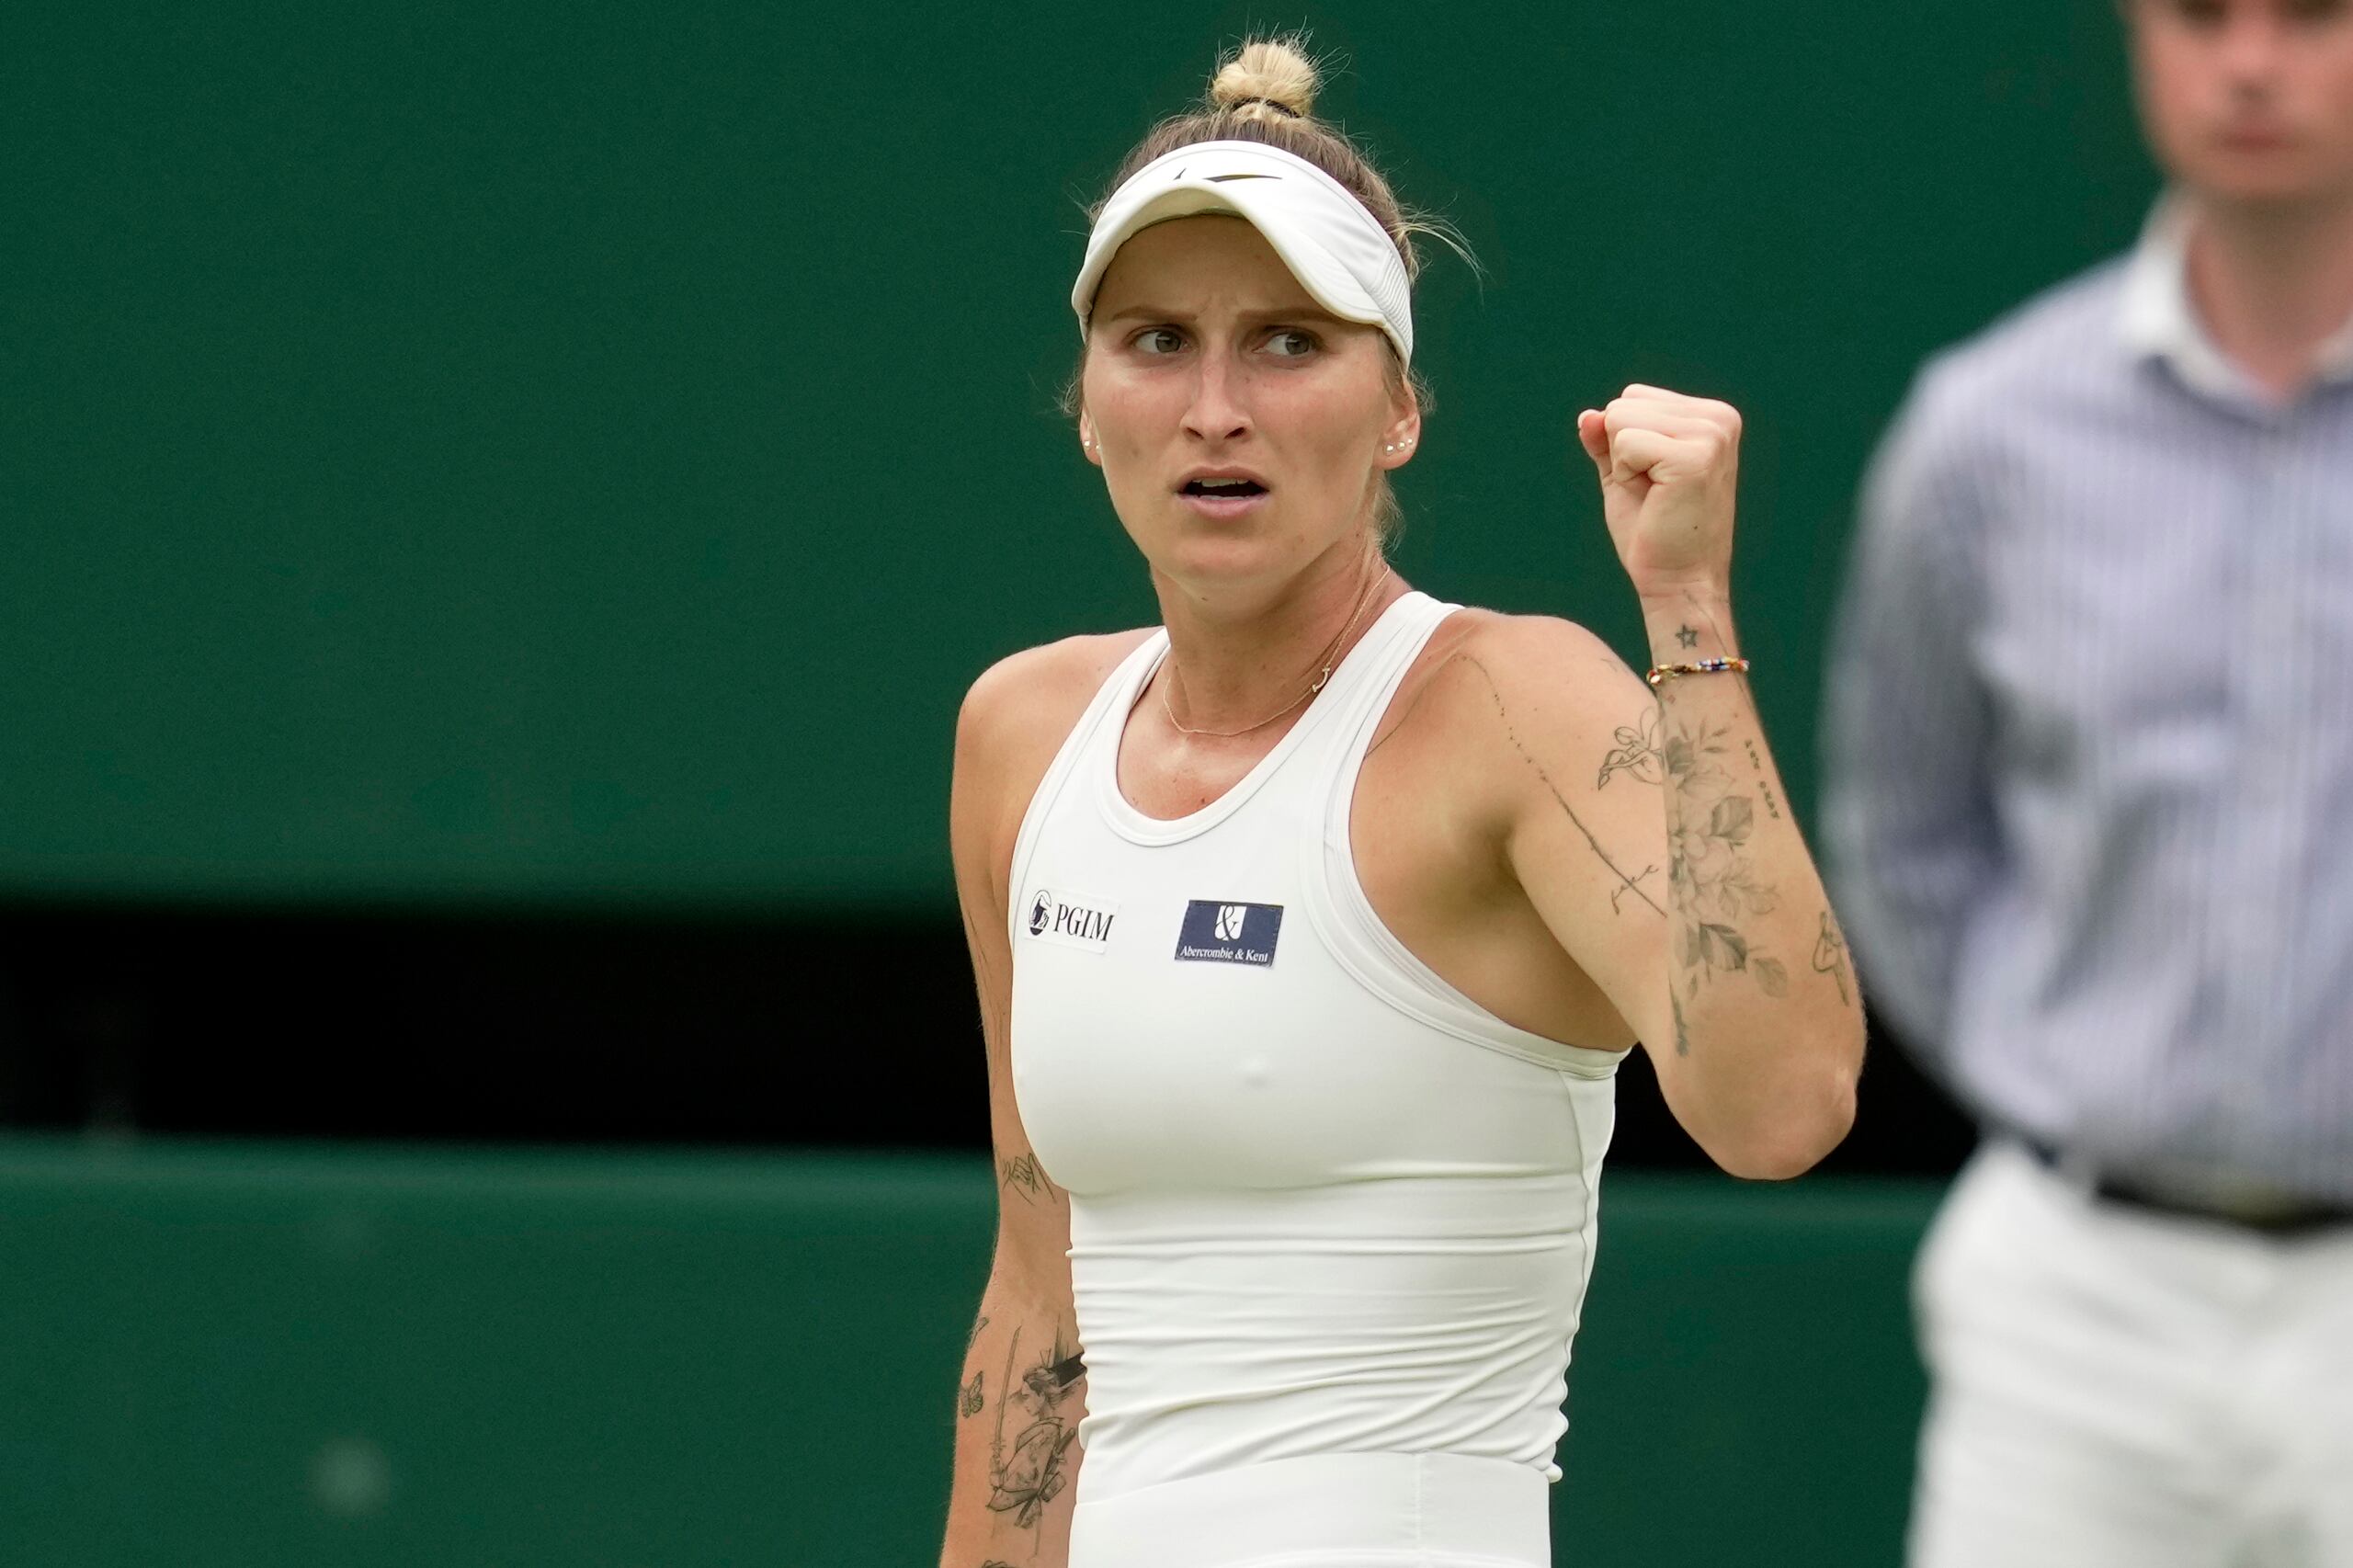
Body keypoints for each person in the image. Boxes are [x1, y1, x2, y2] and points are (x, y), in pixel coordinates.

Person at [940, 37, 1862, 1568]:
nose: (1217, 406)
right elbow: (1040, 1304)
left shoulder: (1517, 704)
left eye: (1292, 344)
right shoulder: (1021, 734)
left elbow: (1782, 1104)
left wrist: (1688, 607)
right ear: (1087, 405)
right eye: (1159, 342)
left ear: (1399, 410)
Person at [1822, 2, 2353, 1563]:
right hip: (2079, 1298)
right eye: (2203, 15)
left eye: (2313, 14)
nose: (2251, 62)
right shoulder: (1987, 436)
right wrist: (2045, 1056)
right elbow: (1901, 831)